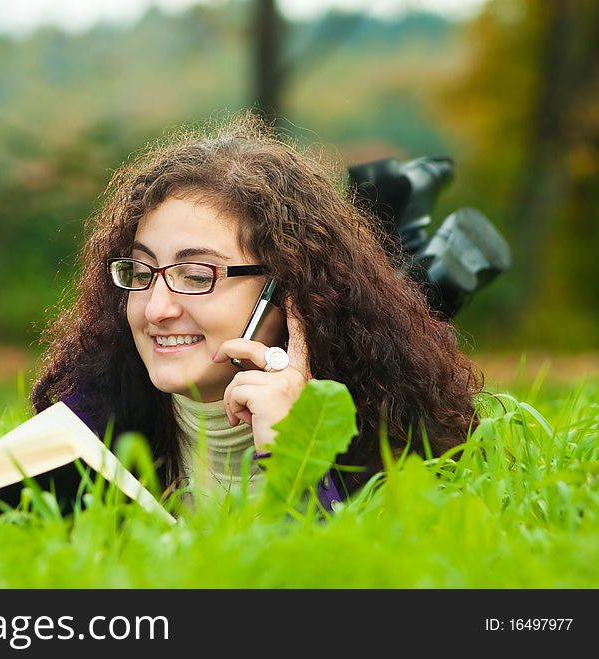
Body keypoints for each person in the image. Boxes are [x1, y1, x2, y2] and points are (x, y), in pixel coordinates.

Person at [31, 112, 481, 510]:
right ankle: (406, 237)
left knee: (402, 300)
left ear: (285, 287)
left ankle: (414, 255)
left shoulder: (383, 420)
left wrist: (291, 452)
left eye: (196, 275)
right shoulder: (102, 404)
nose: (156, 308)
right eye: (141, 270)